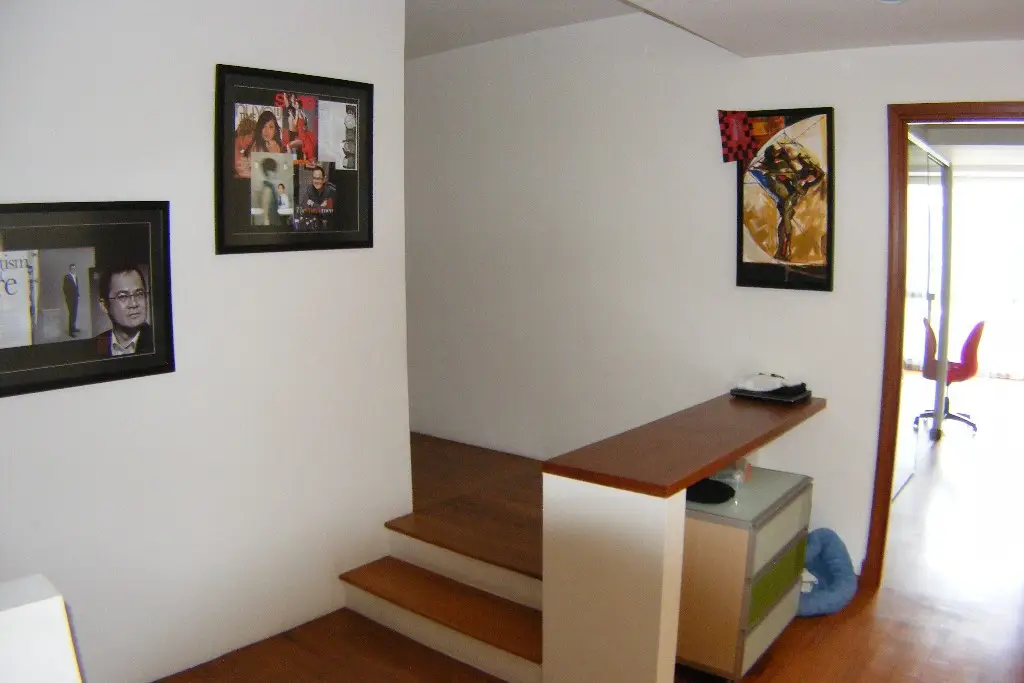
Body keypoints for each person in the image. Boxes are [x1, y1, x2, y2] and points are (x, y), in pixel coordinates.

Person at [93, 266, 153, 357]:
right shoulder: (92, 347)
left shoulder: (159, 341)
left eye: (139, 294)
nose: (134, 304)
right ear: (105, 306)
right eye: (123, 296)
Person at [298, 165, 336, 231]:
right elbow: (304, 207)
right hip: (313, 225)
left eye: (318, 178)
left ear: (324, 179)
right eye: (314, 178)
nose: (316, 181)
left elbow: (327, 212)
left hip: (328, 227)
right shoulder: (309, 189)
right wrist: (320, 207)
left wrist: (312, 204)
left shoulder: (330, 191)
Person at [254, 157, 287, 228]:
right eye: (274, 171)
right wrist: (266, 221)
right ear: (269, 172)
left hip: (273, 219)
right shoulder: (268, 188)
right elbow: (265, 205)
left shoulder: (268, 186)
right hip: (272, 221)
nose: (275, 173)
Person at [62, 263, 79, 337]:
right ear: (70, 269)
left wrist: (78, 295)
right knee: (71, 314)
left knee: (75, 314)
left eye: (74, 268)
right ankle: (71, 332)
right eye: (72, 268)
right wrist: (69, 297)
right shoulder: (67, 277)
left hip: (75, 298)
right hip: (70, 299)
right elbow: (64, 288)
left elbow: (76, 287)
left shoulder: (75, 277)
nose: (73, 269)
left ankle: (74, 328)